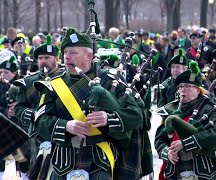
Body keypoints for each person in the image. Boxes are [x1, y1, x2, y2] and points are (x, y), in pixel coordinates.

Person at [33, 27, 143, 179]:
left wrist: (108, 118)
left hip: (99, 160)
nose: (67, 57)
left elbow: (136, 115)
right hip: (62, 162)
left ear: (89, 56)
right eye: (65, 53)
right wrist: (65, 126)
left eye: (73, 52)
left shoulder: (110, 81)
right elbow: (40, 121)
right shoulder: (53, 85)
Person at [155, 61, 216, 179]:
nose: (183, 89)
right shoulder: (172, 109)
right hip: (175, 170)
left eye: (188, 86)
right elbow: (160, 139)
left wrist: (184, 143)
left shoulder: (207, 109)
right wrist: (168, 153)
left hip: (202, 169)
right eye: (181, 86)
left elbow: (214, 134)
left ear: (198, 90)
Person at [13, 35, 63, 179]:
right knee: (37, 172)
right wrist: (32, 115)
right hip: (37, 135)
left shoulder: (66, 79)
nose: (43, 61)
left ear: (56, 59)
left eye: (47, 57)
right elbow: (19, 107)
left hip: (60, 135)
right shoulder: (28, 82)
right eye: (40, 58)